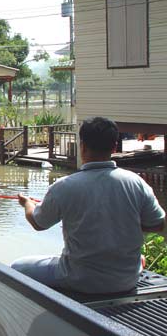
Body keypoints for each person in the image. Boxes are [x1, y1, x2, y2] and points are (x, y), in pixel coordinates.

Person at [12, 116, 165, 294]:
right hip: (127, 279)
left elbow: (38, 223)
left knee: (18, 267)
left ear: (82, 145)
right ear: (114, 147)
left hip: (80, 279)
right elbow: (157, 224)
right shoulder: (136, 183)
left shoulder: (64, 186)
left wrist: (28, 204)